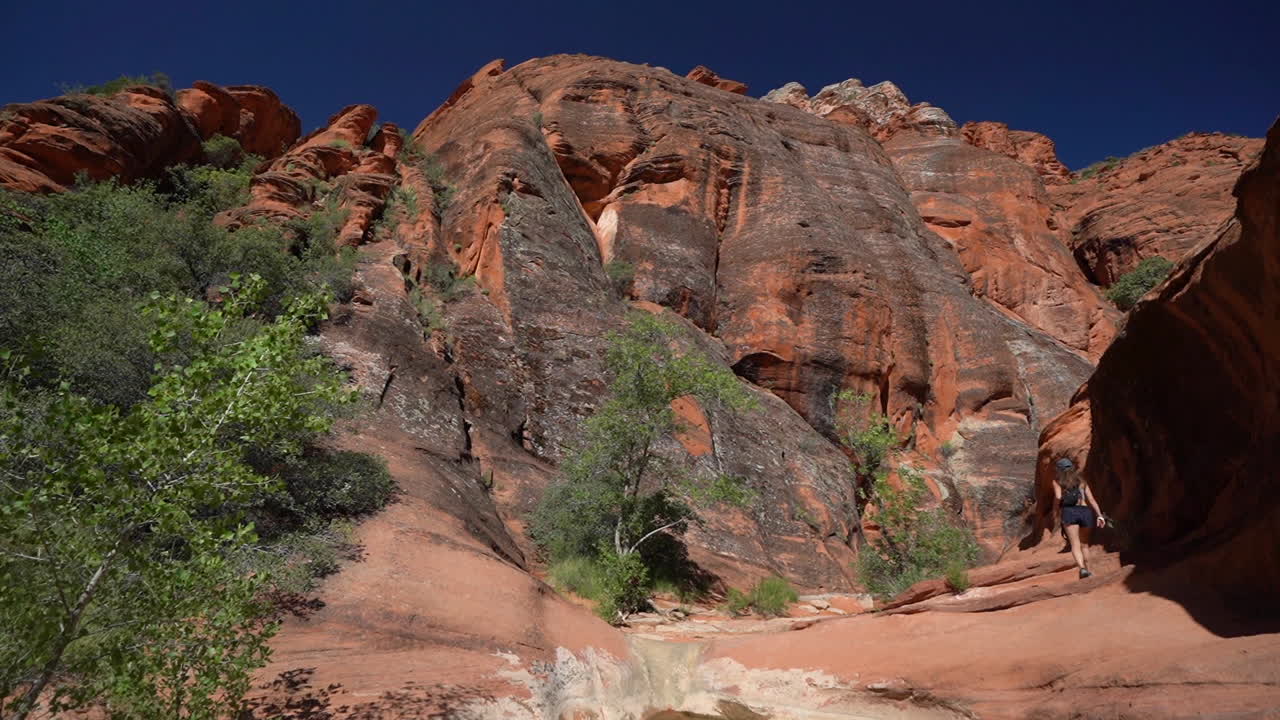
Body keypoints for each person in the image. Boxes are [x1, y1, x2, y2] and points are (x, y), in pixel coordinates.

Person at [1052, 457, 1106, 578]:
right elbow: (1091, 500)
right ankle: (1090, 571)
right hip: (1085, 511)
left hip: (1069, 512)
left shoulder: (1057, 481)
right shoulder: (1081, 480)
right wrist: (1100, 516)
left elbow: (1058, 497)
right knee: (1085, 544)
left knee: (1075, 544)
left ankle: (1082, 568)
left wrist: (1056, 511)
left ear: (1059, 469)